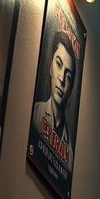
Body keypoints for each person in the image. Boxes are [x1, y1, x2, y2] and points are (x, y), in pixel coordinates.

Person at [32, 30, 76, 170]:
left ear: (71, 89)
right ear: (50, 67)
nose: (62, 79)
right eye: (58, 64)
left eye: (68, 76)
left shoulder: (70, 154)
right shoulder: (35, 113)